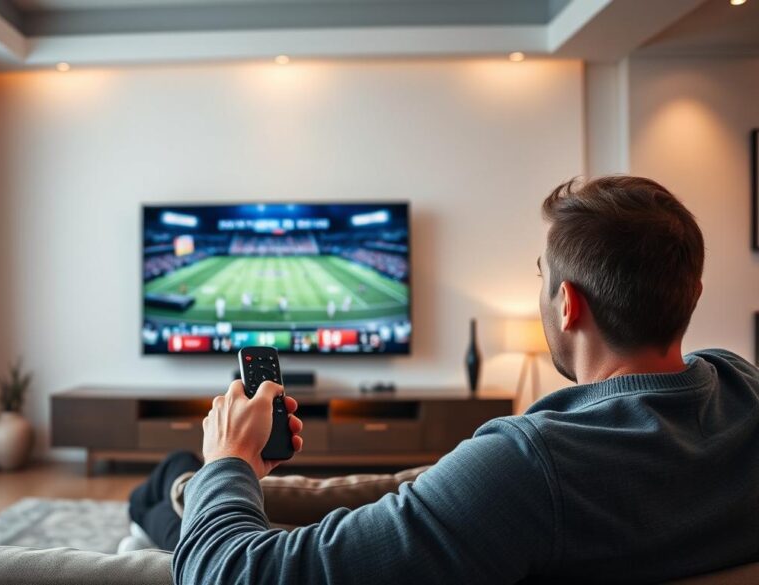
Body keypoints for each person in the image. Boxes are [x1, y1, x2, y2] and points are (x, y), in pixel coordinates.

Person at [126, 176, 759, 583]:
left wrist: (228, 462)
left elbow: (232, 575)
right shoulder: (742, 390)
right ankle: (169, 488)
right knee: (173, 484)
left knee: (172, 482)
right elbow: (425, 495)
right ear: (691, 292)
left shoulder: (530, 465)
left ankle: (167, 488)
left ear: (567, 304)